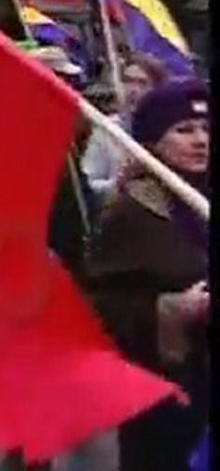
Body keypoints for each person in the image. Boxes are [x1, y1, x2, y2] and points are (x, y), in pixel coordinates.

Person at [90, 79, 209, 471]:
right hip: (168, 394)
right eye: (184, 130)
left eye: (206, 128)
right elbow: (102, 307)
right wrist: (172, 310)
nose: (200, 139)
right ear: (154, 142)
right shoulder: (132, 213)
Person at [82, 54, 168, 207]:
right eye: (128, 81)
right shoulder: (108, 128)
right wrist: (121, 181)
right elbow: (90, 187)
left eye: (142, 83)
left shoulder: (175, 129)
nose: (133, 90)